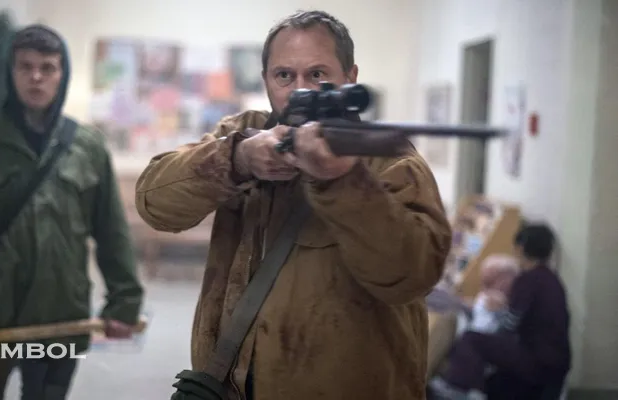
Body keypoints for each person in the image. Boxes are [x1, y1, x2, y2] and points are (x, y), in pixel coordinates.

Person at [136, 10, 452, 399]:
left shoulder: (389, 158)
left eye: (317, 74)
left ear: (350, 77)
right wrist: (237, 159)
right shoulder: (243, 133)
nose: (300, 90)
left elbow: (412, 274)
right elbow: (154, 202)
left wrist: (343, 181)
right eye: (284, 75)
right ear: (266, 78)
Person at [0, 25, 144, 400]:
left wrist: (125, 301)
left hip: (60, 314)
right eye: (26, 66)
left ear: (62, 74)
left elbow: (112, 232)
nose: (36, 77)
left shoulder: (88, 147)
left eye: (47, 67)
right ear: (11, 72)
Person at [428, 224, 571, 399]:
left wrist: (495, 313)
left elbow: (509, 326)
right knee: (493, 384)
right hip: (555, 367)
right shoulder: (552, 279)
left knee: (471, 339)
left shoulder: (527, 280)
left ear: (520, 248)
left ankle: (459, 389)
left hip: (537, 361)